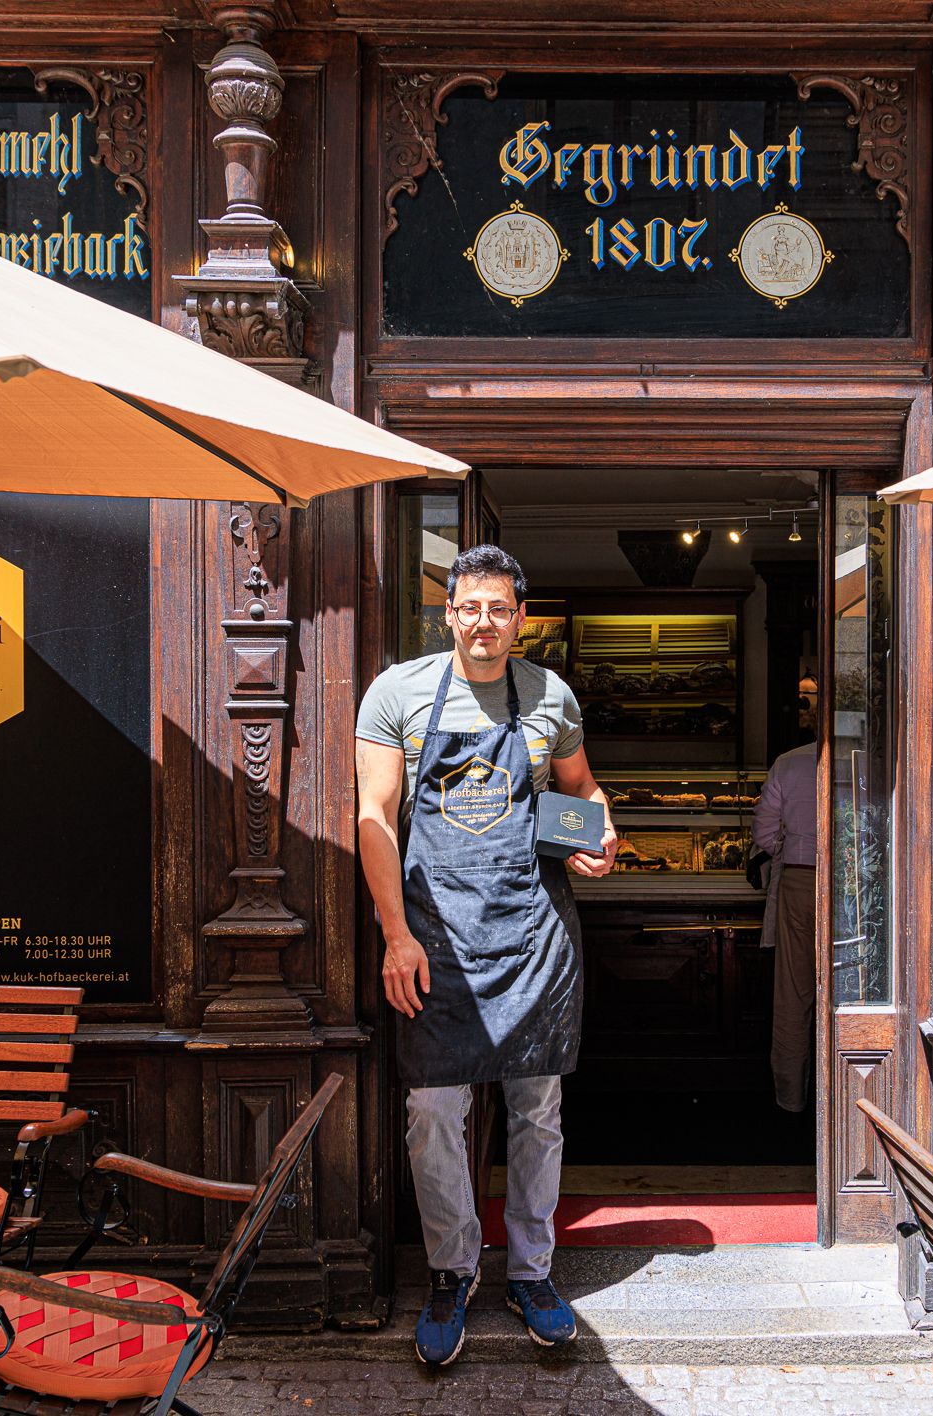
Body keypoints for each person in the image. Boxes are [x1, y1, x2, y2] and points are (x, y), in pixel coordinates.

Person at [354, 544, 615, 1366]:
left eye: (499, 610)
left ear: (520, 618)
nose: (483, 624)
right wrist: (396, 936)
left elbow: (583, 789)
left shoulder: (550, 696)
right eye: (470, 608)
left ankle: (532, 1273)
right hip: (434, 937)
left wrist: (599, 836)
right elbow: (376, 817)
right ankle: (452, 1270)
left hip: (531, 931)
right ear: (449, 612)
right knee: (434, 1113)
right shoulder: (398, 693)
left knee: (537, 1111)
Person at [753, 739, 819, 1114]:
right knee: (854, 996)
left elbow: (763, 833)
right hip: (856, 883)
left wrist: (789, 842)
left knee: (794, 995)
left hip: (800, 881)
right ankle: (848, 1100)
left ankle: (791, 1101)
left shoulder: (789, 761)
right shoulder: (869, 755)